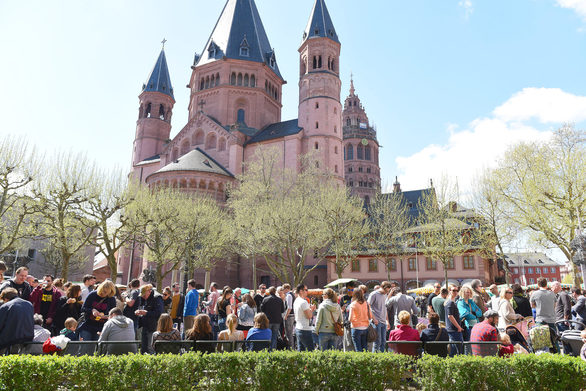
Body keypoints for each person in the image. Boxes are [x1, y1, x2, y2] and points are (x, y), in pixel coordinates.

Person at [77, 280, 117, 348]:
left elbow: (113, 314)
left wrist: (106, 317)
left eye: (106, 292)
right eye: (103, 290)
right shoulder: (93, 294)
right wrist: (92, 310)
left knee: (96, 349)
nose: (103, 293)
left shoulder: (111, 299)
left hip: (101, 328)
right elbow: (83, 308)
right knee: (84, 348)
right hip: (87, 325)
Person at [0, 287, 34, 352]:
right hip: (28, 338)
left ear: (6, 299)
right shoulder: (29, 304)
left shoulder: (6, 306)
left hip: (10, 340)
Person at [530, 277, 557, 352]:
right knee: (554, 340)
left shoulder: (535, 294)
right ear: (546, 284)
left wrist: (538, 306)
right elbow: (555, 305)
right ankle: (557, 356)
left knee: (541, 342)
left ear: (538, 284)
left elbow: (532, 306)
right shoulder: (552, 293)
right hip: (551, 319)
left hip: (540, 320)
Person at [135, 284, 164, 354]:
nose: (143, 297)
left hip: (153, 327)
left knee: (150, 348)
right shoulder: (145, 298)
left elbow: (159, 313)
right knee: (144, 348)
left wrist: (146, 313)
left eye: (144, 295)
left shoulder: (157, 298)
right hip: (146, 325)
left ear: (149, 291)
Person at [367, 281, 391, 352]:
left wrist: (387, 321)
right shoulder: (374, 294)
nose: (386, 293)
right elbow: (368, 306)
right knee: (377, 342)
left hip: (383, 321)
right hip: (376, 321)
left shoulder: (385, 295)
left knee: (383, 341)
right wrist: (373, 318)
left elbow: (385, 308)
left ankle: (381, 357)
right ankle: (375, 358)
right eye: (386, 291)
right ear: (383, 287)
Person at [457, 285, 482, 350]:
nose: (469, 294)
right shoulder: (460, 302)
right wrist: (475, 315)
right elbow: (465, 314)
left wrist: (474, 314)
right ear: (463, 293)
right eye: (467, 292)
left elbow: (480, 312)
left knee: (476, 344)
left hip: (476, 325)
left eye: (470, 292)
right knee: (468, 345)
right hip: (467, 327)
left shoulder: (471, 301)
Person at [348, 288, 372, 352]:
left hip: (356, 327)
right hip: (365, 327)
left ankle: (359, 361)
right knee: (365, 348)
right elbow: (371, 315)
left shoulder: (353, 304)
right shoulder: (366, 303)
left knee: (358, 348)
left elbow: (350, 318)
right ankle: (366, 361)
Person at [294, 284, 316, 351]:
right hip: (305, 329)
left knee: (301, 352)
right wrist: (312, 309)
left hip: (298, 328)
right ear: (301, 291)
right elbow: (309, 316)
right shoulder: (303, 302)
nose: (307, 291)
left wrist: (309, 309)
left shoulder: (296, 300)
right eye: (306, 290)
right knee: (310, 352)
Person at [445, 285, 464, 356]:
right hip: (454, 330)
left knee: (454, 350)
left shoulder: (450, 302)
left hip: (452, 329)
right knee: (458, 351)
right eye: (453, 290)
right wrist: (458, 327)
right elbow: (450, 316)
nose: (456, 292)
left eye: (457, 290)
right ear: (449, 291)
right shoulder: (450, 302)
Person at [282, 283, 295, 349]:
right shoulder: (292, 294)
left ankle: (291, 348)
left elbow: (289, 307)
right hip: (292, 315)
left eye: (283, 289)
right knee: (290, 333)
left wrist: (286, 316)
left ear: (286, 289)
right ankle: (291, 348)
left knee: (289, 334)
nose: (282, 291)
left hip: (289, 316)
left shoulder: (289, 295)